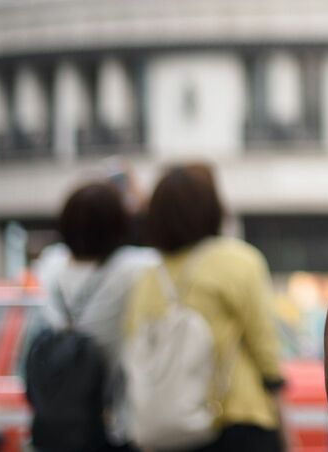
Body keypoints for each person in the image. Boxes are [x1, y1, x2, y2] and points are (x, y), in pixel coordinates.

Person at [123, 165, 287, 452]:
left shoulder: (147, 277)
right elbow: (265, 348)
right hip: (239, 420)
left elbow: (133, 348)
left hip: (168, 430)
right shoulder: (238, 260)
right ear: (212, 207)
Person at [30, 181, 160, 451]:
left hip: (59, 423)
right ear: (120, 224)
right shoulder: (133, 269)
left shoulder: (50, 264)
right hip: (112, 422)